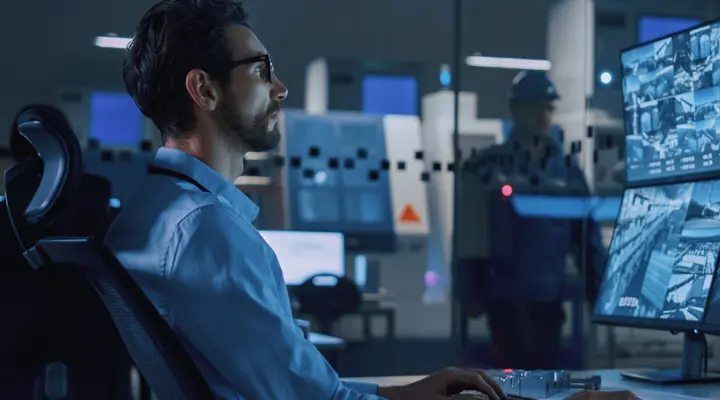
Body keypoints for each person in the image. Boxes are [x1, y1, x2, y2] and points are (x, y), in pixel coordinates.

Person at [106, 1, 504, 399]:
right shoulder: (205, 231)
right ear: (205, 90)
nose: (280, 88)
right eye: (261, 71)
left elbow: (305, 389)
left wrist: (405, 394)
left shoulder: (153, 212)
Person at [458, 71, 607, 370]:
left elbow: (586, 234)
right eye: (535, 106)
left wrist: (598, 290)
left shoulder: (566, 170)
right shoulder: (490, 165)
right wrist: (470, 291)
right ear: (516, 110)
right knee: (509, 373)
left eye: (548, 107)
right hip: (505, 297)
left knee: (546, 371)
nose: (543, 115)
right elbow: (470, 234)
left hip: (548, 295)